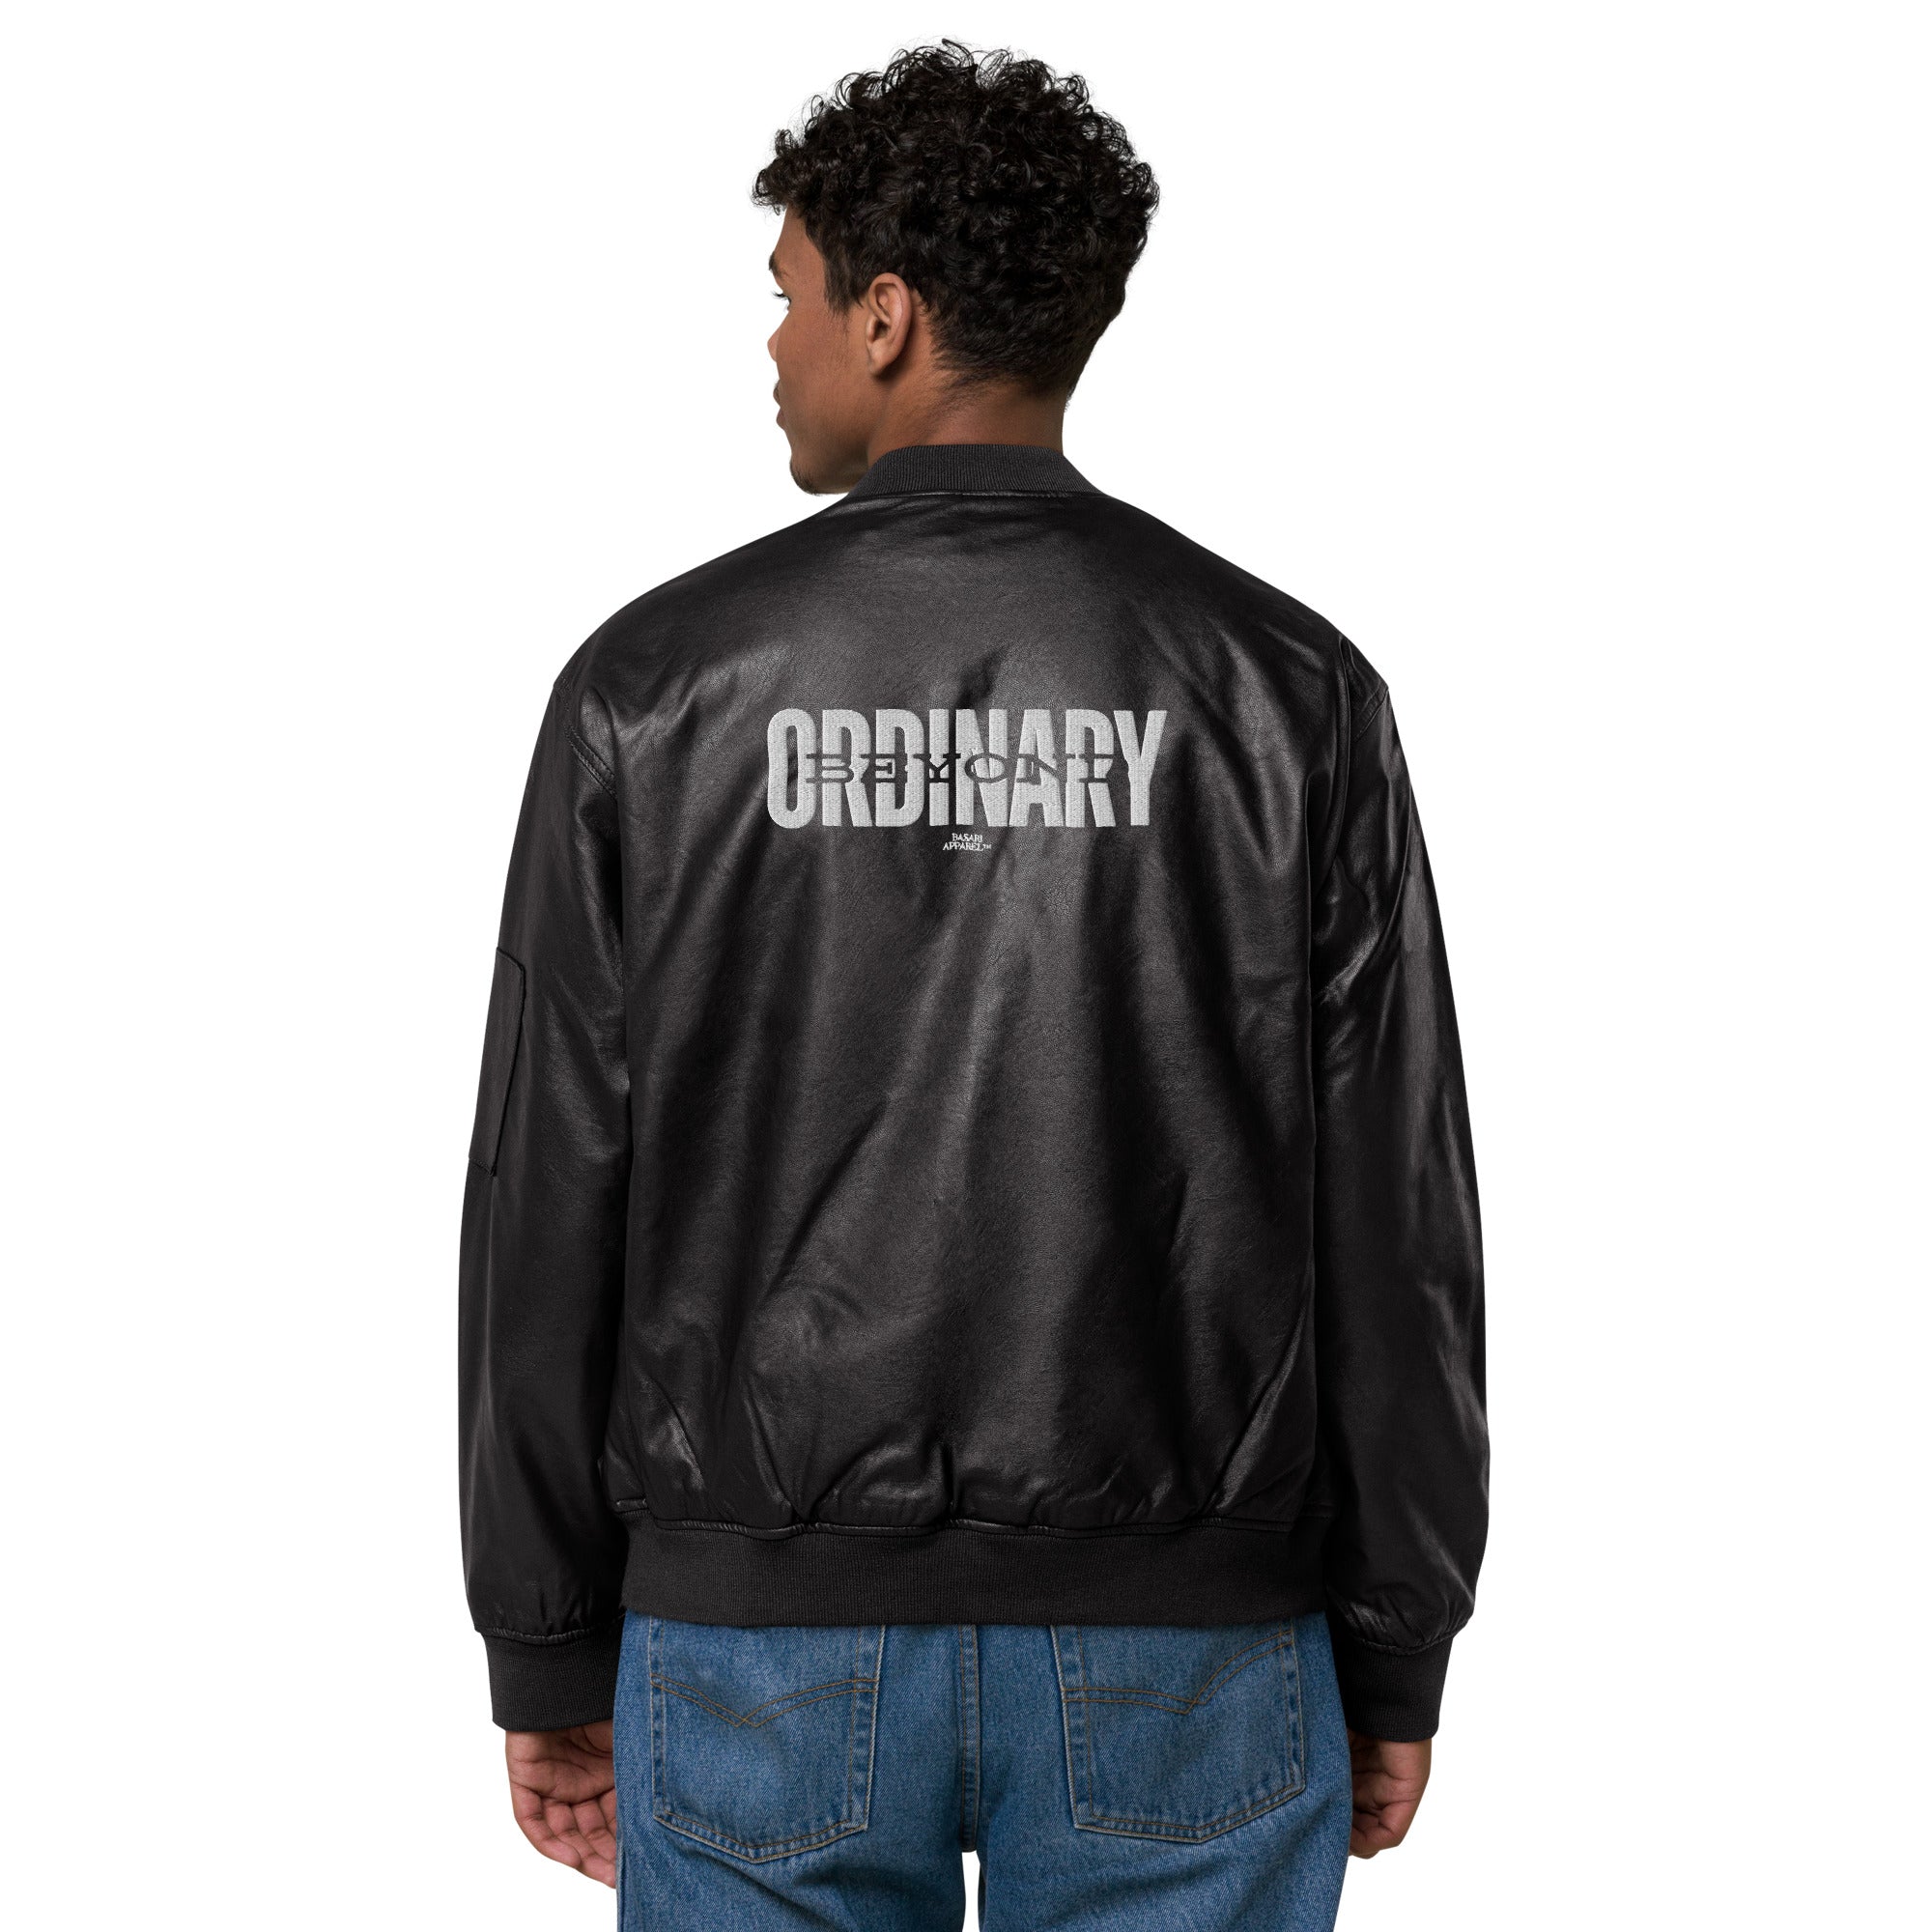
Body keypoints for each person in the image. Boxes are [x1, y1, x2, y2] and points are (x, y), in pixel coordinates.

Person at [460, 42, 1486, 1931]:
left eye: (788, 295)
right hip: (1193, 1643)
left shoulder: (652, 687)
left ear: (887, 316)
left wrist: (544, 1630)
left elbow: (550, 1192)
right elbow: (1395, 1218)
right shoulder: (1288, 689)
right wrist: (1394, 1632)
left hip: (754, 1641)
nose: (772, 345)